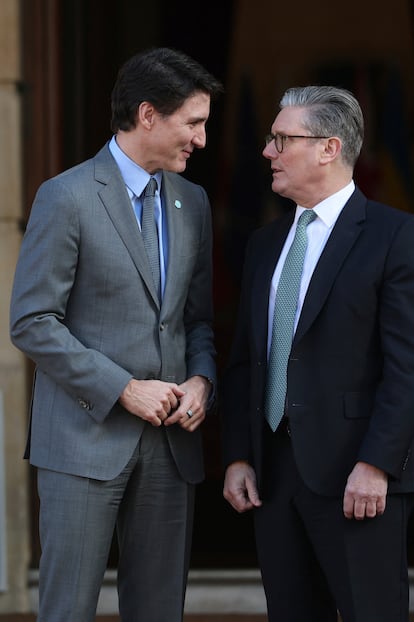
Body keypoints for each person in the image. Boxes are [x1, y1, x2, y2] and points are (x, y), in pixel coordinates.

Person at [10, 46, 222, 622]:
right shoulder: (67, 196)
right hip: (82, 441)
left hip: (171, 447)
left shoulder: (193, 202)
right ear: (148, 114)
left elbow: (197, 318)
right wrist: (123, 388)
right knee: (68, 611)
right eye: (194, 123)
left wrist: (202, 380)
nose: (201, 140)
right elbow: (31, 321)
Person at [222, 85, 414, 621]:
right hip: (275, 478)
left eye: (282, 139)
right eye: (269, 139)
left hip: (359, 478)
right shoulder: (263, 243)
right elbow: (244, 359)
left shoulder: (395, 236)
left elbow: (407, 367)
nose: (267, 152)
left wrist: (377, 462)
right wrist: (239, 452)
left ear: (329, 148)